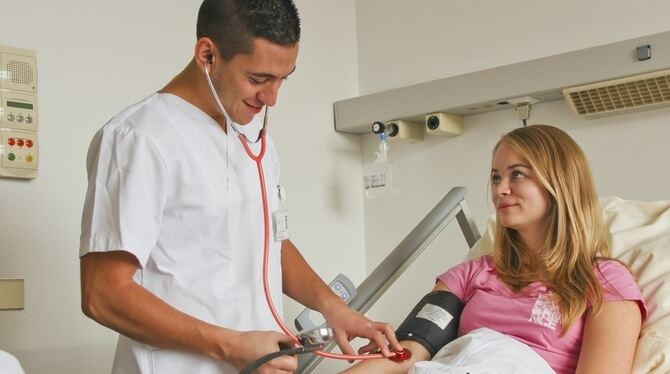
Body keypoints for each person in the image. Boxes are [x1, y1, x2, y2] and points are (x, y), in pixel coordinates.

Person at [79, 1, 401, 373]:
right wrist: (231, 346)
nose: (272, 98)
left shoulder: (250, 135)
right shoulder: (139, 138)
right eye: (259, 79)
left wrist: (333, 307)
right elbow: (102, 294)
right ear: (207, 54)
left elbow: (268, 242)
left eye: (284, 78)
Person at [341, 124, 646, 374]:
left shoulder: (605, 282)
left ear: (559, 183)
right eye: (496, 177)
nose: (500, 189)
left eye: (518, 174)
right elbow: (409, 351)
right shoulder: (472, 273)